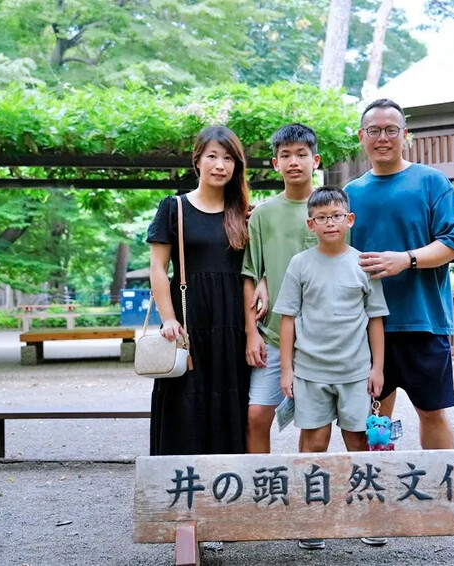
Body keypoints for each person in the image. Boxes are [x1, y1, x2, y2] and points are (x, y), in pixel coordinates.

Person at [345, 98, 454, 450]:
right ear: (362, 137)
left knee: (432, 412)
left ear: (405, 135)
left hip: (423, 321)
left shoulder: (431, 182)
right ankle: (380, 482)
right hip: (368, 324)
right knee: (374, 416)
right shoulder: (351, 193)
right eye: (374, 130)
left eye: (391, 130)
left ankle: (443, 481)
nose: (382, 138)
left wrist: (407, 259)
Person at [274, 187, 389, 550]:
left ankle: (368, 516)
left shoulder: (364, 264)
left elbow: (375, 319)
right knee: (314, 443)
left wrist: (377, 368)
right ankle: (313, 519)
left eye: (336, 216)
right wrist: (287, 369)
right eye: (321, 218)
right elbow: (288, 319)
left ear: (349, 219)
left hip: (355, 371)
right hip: (310, 371)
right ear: (311, 224)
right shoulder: (300, 264)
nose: (330, 223)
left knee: (358, 442)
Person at [146, 125, 251, 457]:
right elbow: (158, 268)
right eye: (212, 157)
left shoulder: (244, 213)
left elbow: (255, 270)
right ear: (197, 161)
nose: (220, 165)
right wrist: (168, 319)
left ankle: (227, 480)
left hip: (232, 322)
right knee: (184, 398)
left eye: (228, 159)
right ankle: (180, 480)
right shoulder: (174, 207)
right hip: (188, 321)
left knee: (231, 396)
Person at [241, 123, 321, 454]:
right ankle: (261, 481)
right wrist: (252, 333)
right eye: (285, 155)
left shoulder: (330, 209)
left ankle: (307, 483)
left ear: (315, 160)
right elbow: (250, 274)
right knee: (257, 415)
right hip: (272, 334)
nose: (294, 162)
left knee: (315, 424)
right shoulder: (263, 215)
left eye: (302, 154)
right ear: (276, 164)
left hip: (321, 337)